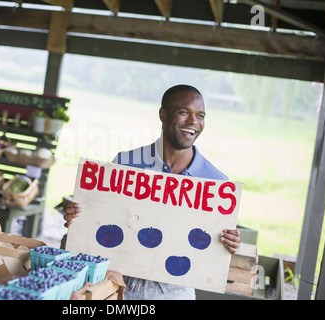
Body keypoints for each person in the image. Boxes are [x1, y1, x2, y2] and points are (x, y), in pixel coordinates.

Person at [64, 84, 241, 300]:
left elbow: (212, 247)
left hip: (175, 291)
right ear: (163, 114)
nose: (194, 121)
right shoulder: (125, 164)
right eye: (184, 112)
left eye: (200, 115)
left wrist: (229, 243)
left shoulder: (216, 184)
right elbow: (101, 222)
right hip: (118, 281)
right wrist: (80, 217)